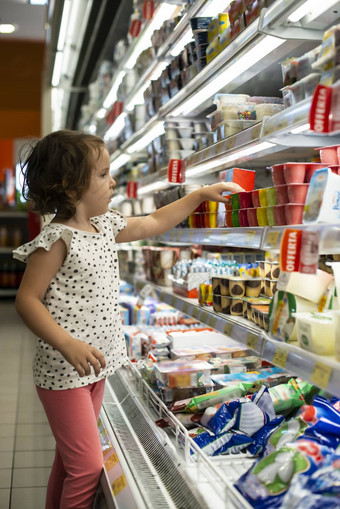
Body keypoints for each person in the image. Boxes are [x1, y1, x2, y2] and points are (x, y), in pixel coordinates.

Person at [13, 129, 243, 509]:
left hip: (96, 365)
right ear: (70, 187)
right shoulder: (56, 239)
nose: (113, 181)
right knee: (87, 467)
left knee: (68, 461)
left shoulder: (105, 225)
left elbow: (153, 222)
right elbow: (27, 300)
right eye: (103, 174)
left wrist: (198, 195)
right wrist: (67, 343)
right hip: (64, 372)